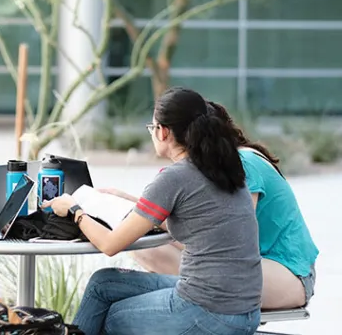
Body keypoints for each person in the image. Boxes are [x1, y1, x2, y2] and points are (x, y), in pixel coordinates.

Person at [41, 87, 263, 335]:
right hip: (245, 309)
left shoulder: (175, 177)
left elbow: (110, 245)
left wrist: (74, 210)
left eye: (152, 127)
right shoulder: (224, 169)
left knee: (112, 317)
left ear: (163, 131)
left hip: (209, 311)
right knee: (102, 283)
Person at [126, 101, 320, 310]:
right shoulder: (226, 166)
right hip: (258, 268)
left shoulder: (243, 164)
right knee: (147, 247)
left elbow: (232, 238)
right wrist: (129, 204)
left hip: (289, 275)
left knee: (154, 251)